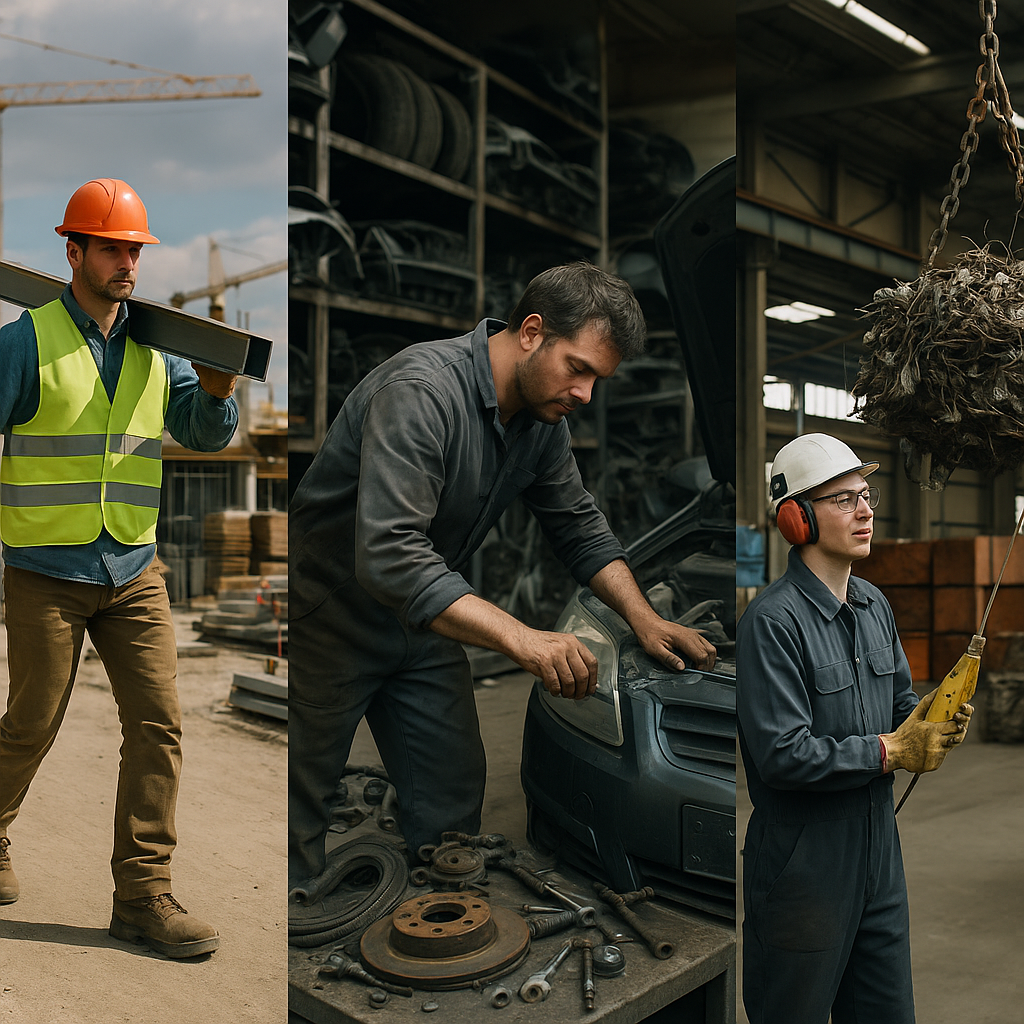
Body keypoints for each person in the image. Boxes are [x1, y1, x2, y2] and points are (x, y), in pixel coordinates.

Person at [289, 261, 718, 889]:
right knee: (300, 803)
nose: (585, 395)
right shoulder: (421, 392)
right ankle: (289, 934)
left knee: (451, 796)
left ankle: (437, 921)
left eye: (598, 380)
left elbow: (579, 525)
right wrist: (523, 638)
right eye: (578, 369)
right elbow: (389, 554)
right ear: (531, 332)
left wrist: (646, 619)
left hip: (425, 621)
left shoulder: (540, 423)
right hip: (332, 616)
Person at [0, 178, 239, 958]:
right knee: (32, 721)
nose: (128, 262)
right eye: (113, 248)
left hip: (134, 570)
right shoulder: (24, 341)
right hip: (44, 569)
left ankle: (142, 897)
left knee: (160, 726)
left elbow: (203, 437)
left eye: (135, 249)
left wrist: (219, 394)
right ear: (74, 252)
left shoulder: (157, 350)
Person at [736, 432, 973, 1023]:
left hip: (878, 856)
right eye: (844, 500)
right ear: (797, 519)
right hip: (804, 865)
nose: (866, 511)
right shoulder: (772, 623)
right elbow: (782, 756)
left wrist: (933, 719)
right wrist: (893, 751)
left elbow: (899, 706)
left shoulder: (874, 604)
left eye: (865, 495)